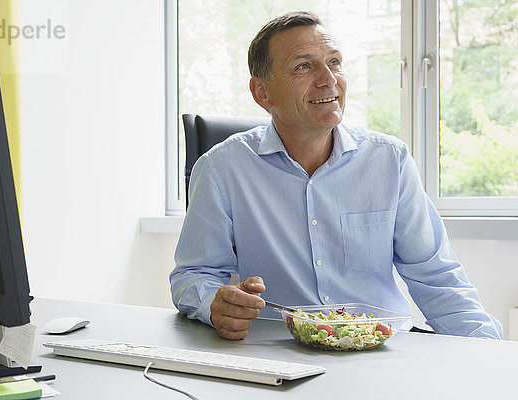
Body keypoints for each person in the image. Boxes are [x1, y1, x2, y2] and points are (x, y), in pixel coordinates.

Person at [169, 11, 503, 341]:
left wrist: (490, 355)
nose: (329, 79)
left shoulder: (390, 160)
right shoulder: (220, 169)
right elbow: (193, 275)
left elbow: (437, 278)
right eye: (304, 66)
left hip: (383, 352)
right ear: (262, 93)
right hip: (279, 356)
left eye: (335, 62)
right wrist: (214, 302)